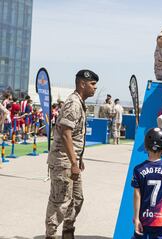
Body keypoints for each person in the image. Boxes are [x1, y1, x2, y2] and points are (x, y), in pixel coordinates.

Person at [44, 69, 98, 238]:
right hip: (63, 162)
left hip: (71, 160)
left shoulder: (80, 103)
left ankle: (68, 232)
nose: (95, 88)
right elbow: (66, 133)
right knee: (59, 202)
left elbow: (73, 135)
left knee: (76, 199)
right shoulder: (73, 103)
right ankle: (51, 235)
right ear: (82, 84)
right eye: (92, 84)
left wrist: (78, 159)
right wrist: (74, 162)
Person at [131, 128, 162, 239]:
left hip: (143, 218)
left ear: (146, 147)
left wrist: (137, 217)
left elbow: (137, 195)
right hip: (160, 219)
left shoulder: (138, 169)